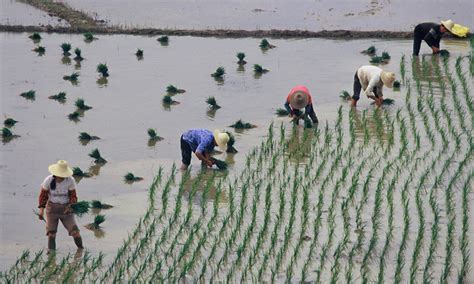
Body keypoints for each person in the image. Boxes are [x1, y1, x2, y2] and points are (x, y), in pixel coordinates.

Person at [37, 160, 83, 253]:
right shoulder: (48, 180)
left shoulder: (70, 180)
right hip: (52, 210)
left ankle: (81, 250)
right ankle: (52, 255)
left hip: (66, 210)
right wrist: (41, 211)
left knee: (75, 232)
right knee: (51, 234)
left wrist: (70, 207)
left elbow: (73, 196)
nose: (62, 176)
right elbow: (43, 196)